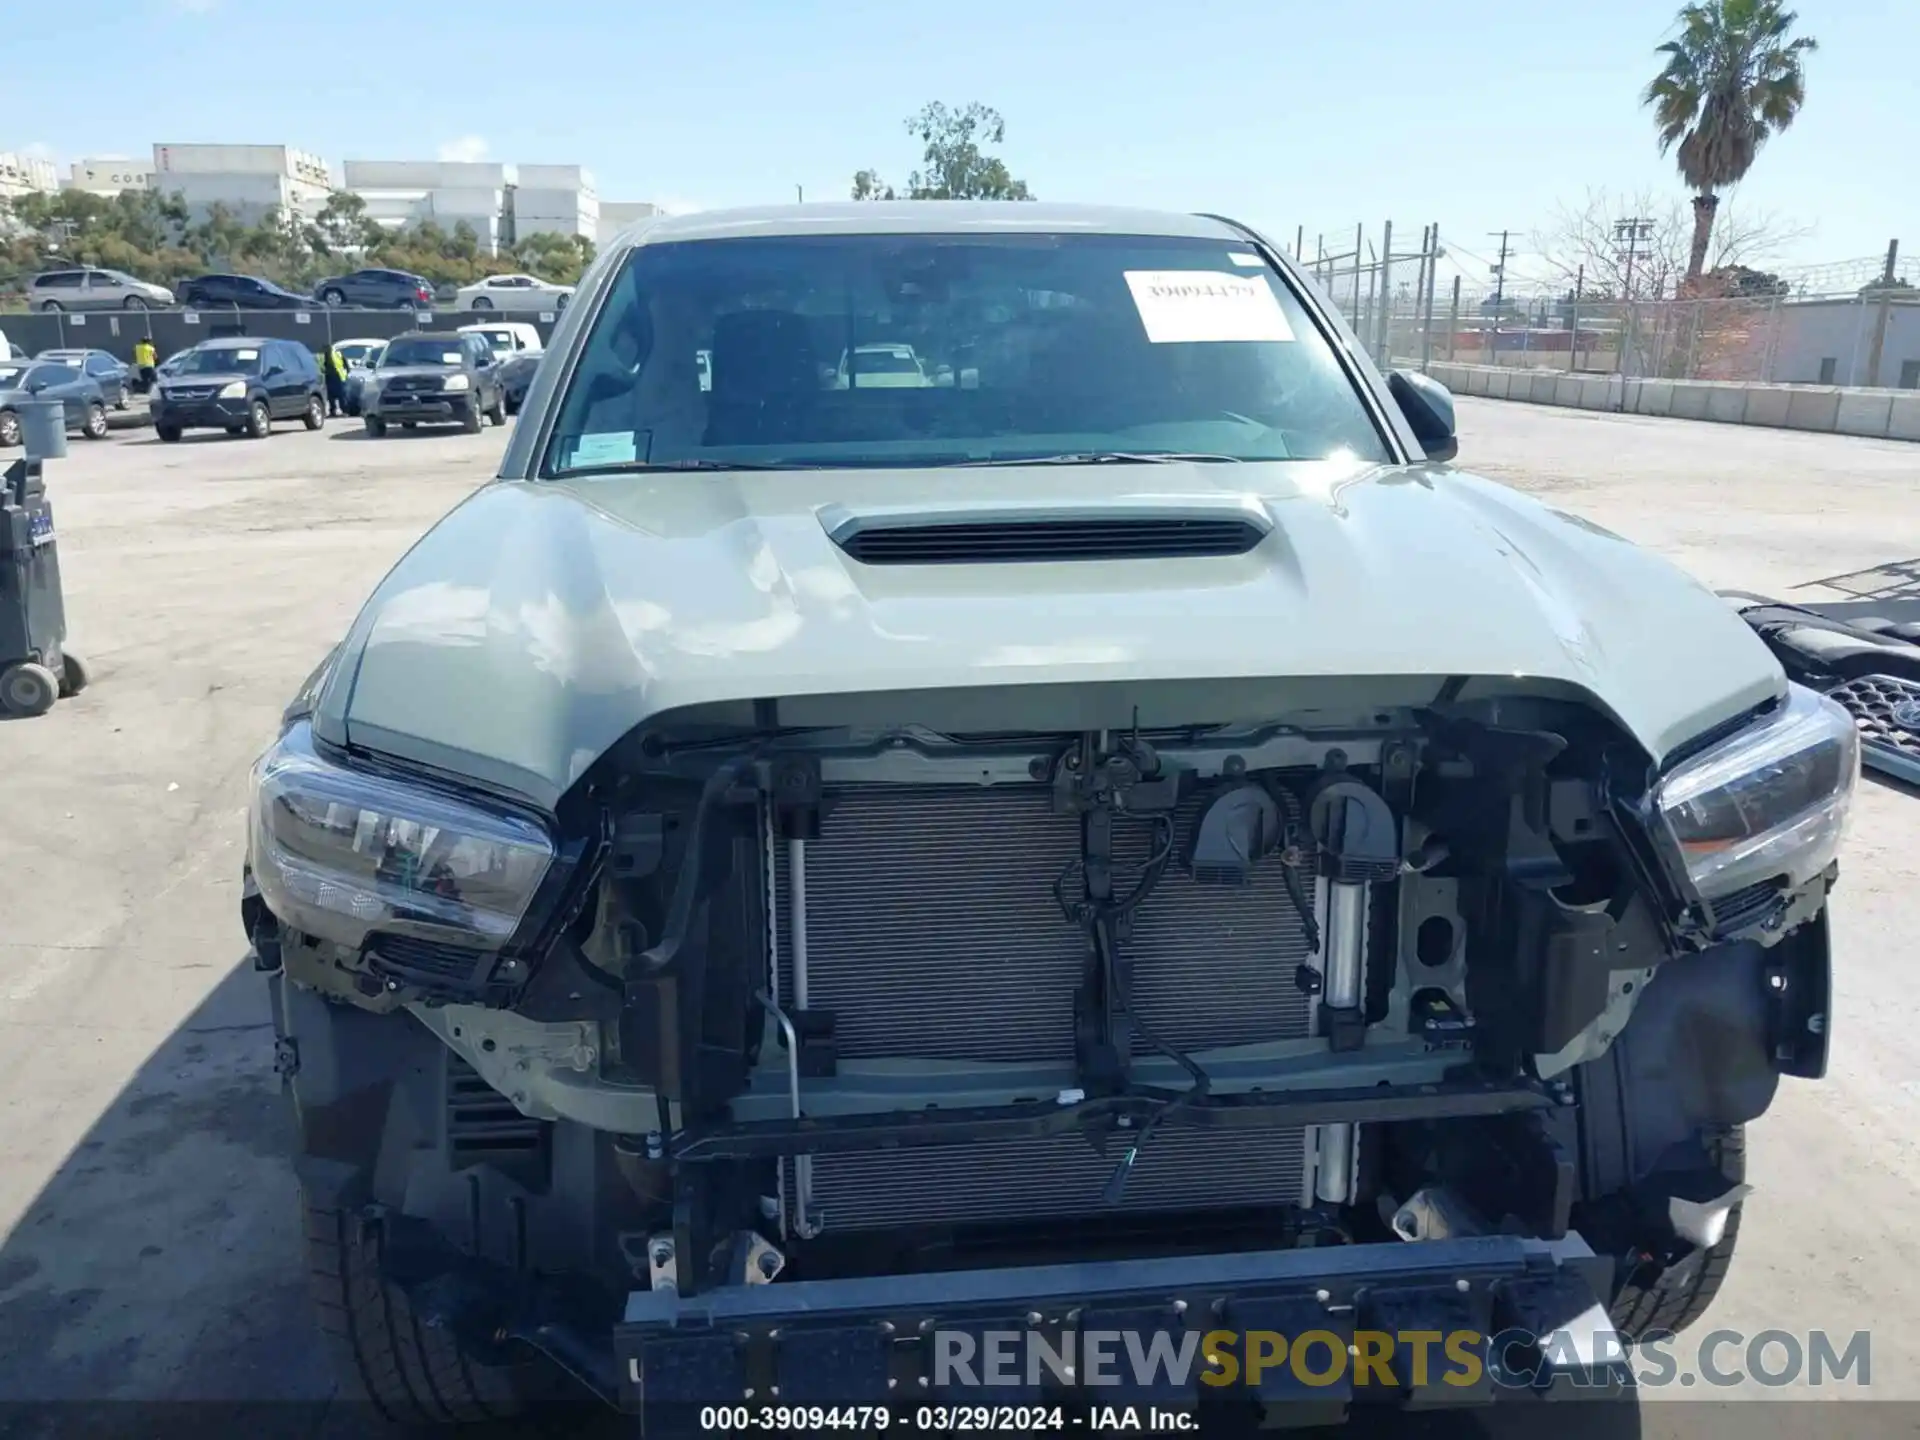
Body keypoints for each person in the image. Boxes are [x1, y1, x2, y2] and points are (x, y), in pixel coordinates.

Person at [321, 344, 348, 417]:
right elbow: (346, 365)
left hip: (336, 377)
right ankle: (337, 410)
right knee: (335, 396)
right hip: (335, 377)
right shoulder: (337, 354)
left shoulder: (331, 355)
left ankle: (339, 410)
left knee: (338, 395)